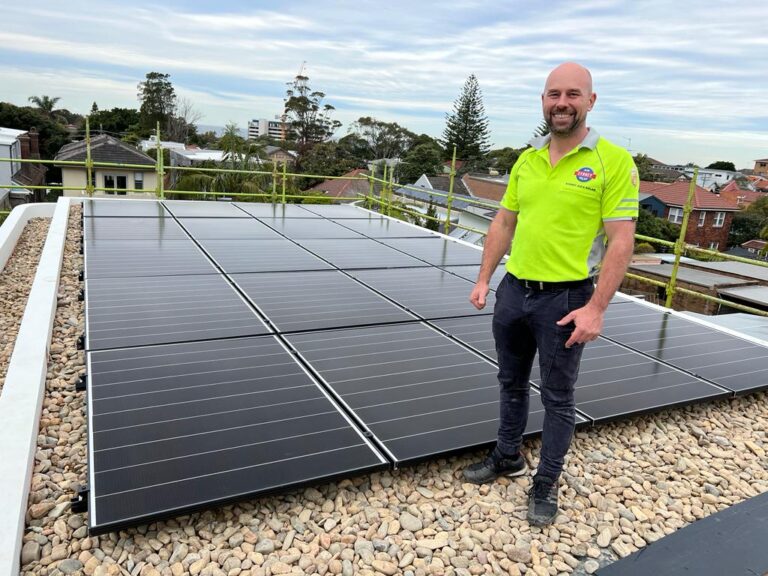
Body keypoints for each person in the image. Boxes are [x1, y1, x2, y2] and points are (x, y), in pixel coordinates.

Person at [464, 62, 639, 526]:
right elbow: (504, 222)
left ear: (590, 101)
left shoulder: (613, 161)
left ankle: (546, 483)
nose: (562, 103)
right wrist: (484, 279)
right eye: (553, 94)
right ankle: (507, 456)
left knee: (558, 398)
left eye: (573, 94)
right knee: (510, 382)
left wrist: (596, 308)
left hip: (565, 301)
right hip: (514, 290)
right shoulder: (528, 158)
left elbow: (621, 239)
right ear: (543, 100)